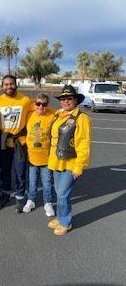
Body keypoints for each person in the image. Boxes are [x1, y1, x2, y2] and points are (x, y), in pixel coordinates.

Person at [47, 85, 91, 236]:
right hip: (56, 161)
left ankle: (66, 222)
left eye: (69, 99)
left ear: (75, 100)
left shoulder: (82, 118)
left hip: (71, 163)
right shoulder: (58, 114)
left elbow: (83, 143)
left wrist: (80, 166)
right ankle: (60, 218)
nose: (66, 101)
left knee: (63, 194)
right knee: (59, 192)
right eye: (63, 99)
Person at [0, 75, 32, 213]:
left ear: (16, 84)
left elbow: (39, 112)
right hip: (3, 144)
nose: (9, 87)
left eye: (11, 84)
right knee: (5, 172)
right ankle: (6, 194)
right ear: (2, 86)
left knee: (20, 172)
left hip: (19, 143)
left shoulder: (25, 100)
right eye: (6, 84)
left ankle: (20, 197)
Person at [23, 93, 55, 216]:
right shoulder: (29, 113)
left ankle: (48, 203)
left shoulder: (53, 115)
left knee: (47, 182)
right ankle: (31, 200)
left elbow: (65, 113)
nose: (41, 106)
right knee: (32, 182)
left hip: (46, 158)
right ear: (34, 104)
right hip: (31, 157)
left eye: (44, 104)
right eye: (38, 104)